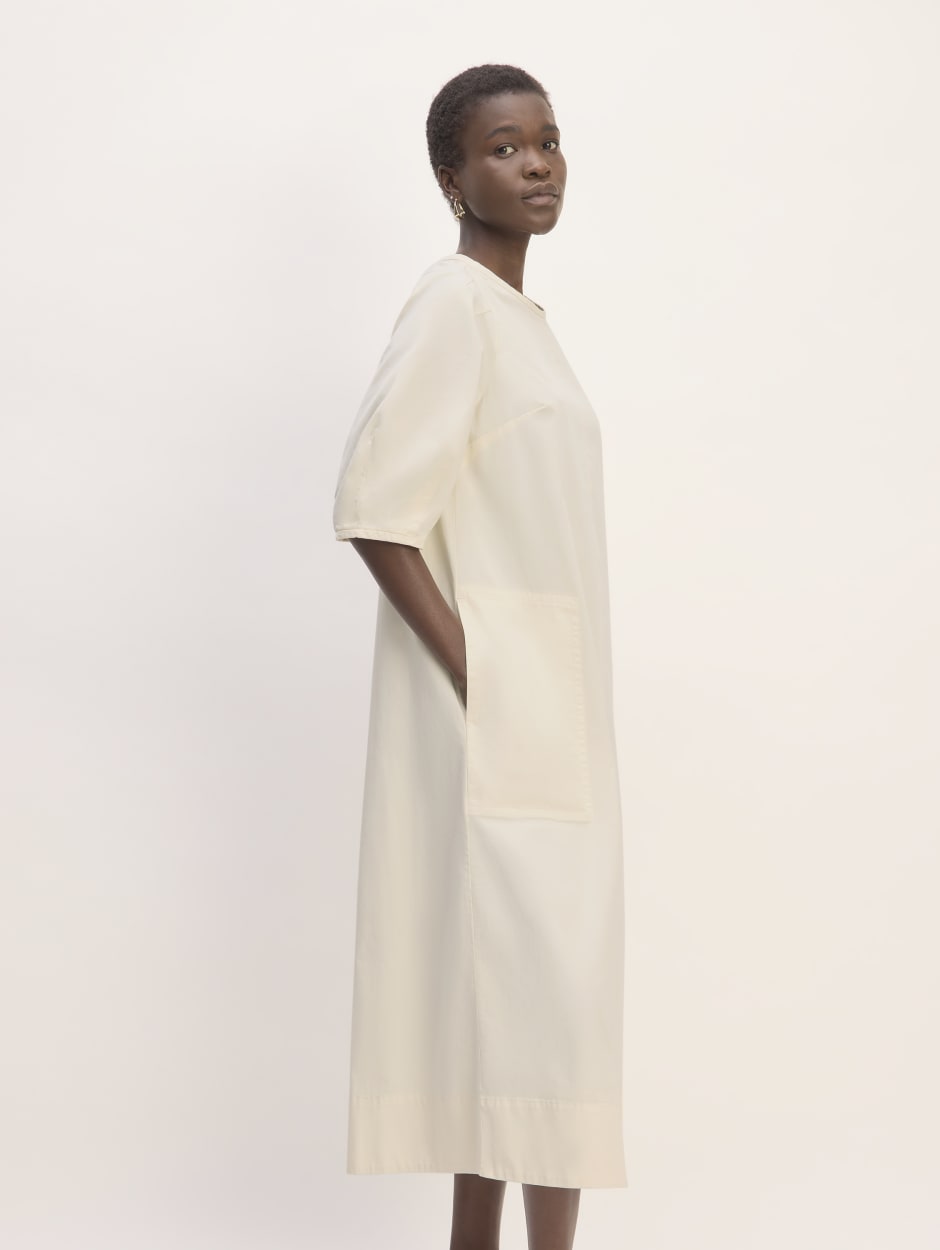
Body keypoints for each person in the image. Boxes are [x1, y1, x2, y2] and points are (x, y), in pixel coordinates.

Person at [332, 64, 626, 1250]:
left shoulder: (518, 323)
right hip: (509, 710)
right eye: (504, 148)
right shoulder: (453, 303)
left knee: (526, 1009)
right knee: (552, 1010)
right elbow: (375, 507)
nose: (537, 162)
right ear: (450, 178)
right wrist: (480, 673)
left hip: (551, 711)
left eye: (546, 139)